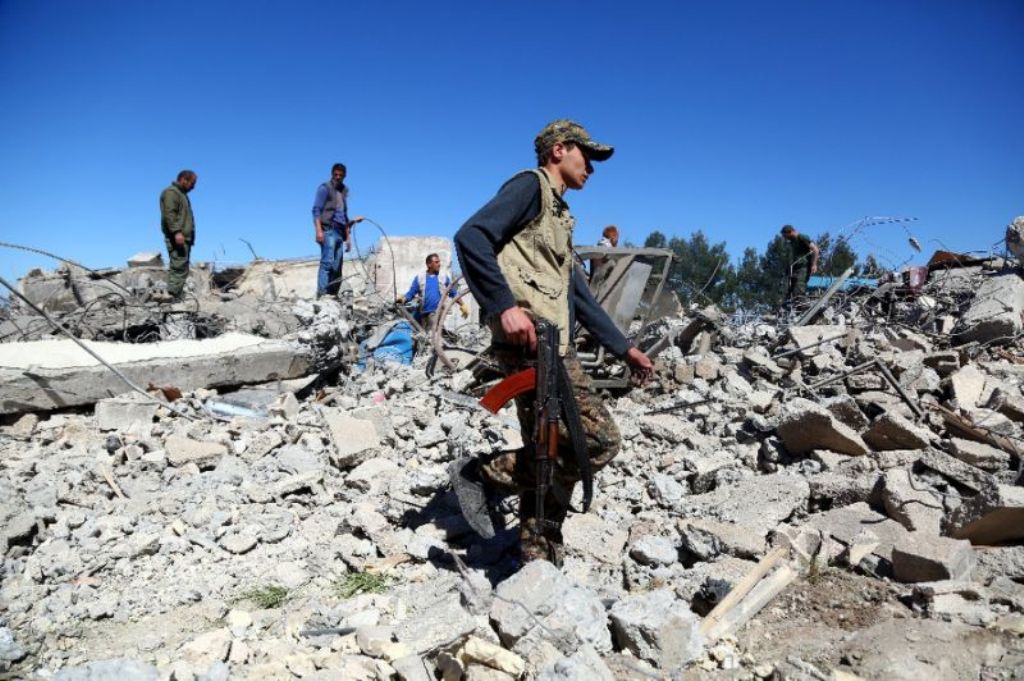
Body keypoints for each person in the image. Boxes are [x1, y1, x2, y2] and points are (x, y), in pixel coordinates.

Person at [453, 119, 654, 565]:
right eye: (588, 156)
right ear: (558, 150)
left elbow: (578, 295)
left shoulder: (560, 215)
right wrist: (503, 304)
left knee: (553, 445)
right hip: (529, 341)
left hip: (553, 343)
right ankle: (484, 473)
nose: (593, 168)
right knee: (593, 442)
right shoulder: (530, 188)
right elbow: (472, 237)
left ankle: (538, 549)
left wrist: (624, 349)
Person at [312, 163, 364, 298]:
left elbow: (343, 218)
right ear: (332, 174)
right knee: (327, 263)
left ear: (344, 176)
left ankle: (332, 296)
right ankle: (322, 295)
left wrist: (348, 236)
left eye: (341, 175)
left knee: (337, 267)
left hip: (340, 233)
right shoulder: (325, 188)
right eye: (335, 174)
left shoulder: (343, 193)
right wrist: (318, 230)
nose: (338, 177)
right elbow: (316, 210)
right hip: (328, 230)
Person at [398, 252, 469, 331]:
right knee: (425, 334)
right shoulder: (420, 277)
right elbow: (411, 292)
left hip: (437, 312)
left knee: (432, 331)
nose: (439, 264)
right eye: (436, 262)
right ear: (429, 264)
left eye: (439, 262)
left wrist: (463, 305)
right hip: (423, 313)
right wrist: (403, 299)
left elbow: (453, 292)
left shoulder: (443, 277)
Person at [159, 170, 198, 300]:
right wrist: (177, 232)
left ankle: (175, 296)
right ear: (183, 180)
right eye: (192, 183)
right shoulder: (171, 193)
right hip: (177, 237)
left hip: (184, 237)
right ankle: (171, 297)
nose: (193, 187)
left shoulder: (182, 195)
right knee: (178, 266)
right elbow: (169, 215)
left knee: (182, 267)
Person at [780, 224, 819, 303]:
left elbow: (815, 249)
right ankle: (788, 308)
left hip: (803, 267)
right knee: (788, 289)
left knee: (799, 288)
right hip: (794, 268)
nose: (785, 238)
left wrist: (814, 264)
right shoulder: (792, 241)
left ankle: (801, 308)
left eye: (785, 236)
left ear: (790, 232)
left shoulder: (802, 237)